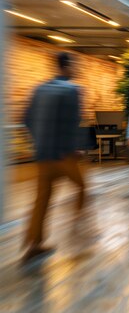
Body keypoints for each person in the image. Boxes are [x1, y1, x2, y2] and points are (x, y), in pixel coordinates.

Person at [23, 52, 86, 263]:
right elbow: (72, 123)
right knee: (82, 188)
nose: (76, 69)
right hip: (63, 155)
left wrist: (39, 143)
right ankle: (77, 228)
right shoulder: (73, 90)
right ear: (66, 66)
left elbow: (27, 119)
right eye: (75, 65)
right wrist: (75, 148)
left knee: (42, 199)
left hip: (43, 155)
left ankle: (34, 243)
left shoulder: (39, 88)